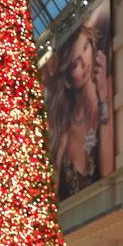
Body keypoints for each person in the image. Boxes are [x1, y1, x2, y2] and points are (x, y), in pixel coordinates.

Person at [46, 23, 113, 200]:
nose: (85, 63)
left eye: (85, 47)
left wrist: (103, 98)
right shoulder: (63, 129)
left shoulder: (109, 88)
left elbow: (107, 170)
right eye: (76, 63)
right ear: (67, 79)